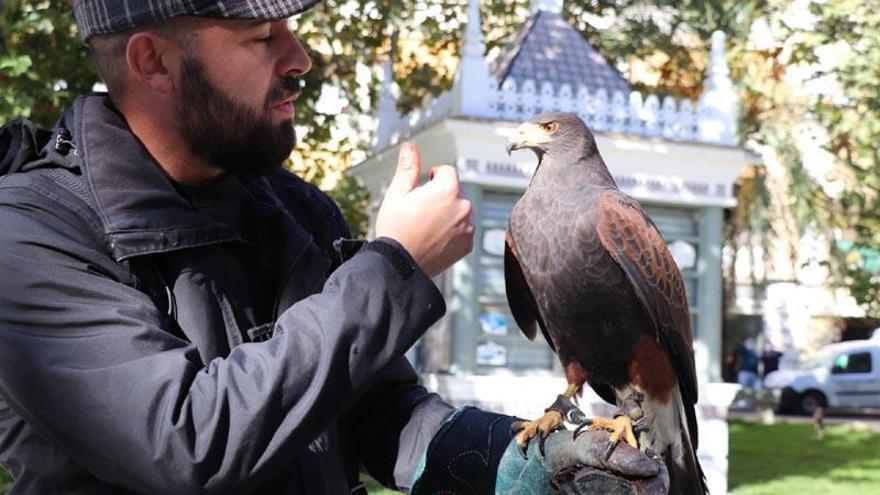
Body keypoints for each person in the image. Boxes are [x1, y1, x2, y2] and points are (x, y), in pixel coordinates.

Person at [0, 1, 668, 493]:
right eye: (263, 37)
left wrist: (517, 464)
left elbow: (375, 409)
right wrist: (394, 266)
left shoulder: (293, 210)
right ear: (154, 62)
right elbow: (187, 444)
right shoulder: (30, 236)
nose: (300, 59)